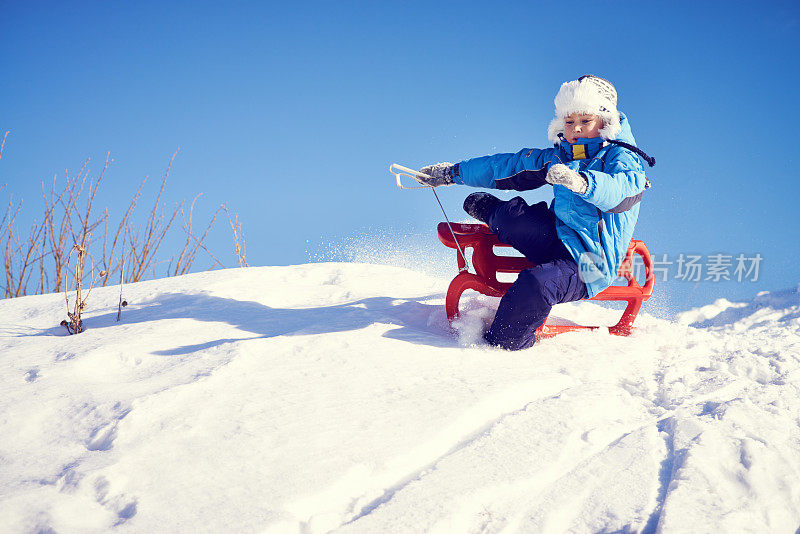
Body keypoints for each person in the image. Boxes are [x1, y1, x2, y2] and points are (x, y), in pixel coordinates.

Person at [416, 75, 654, 350]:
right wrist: (452, 173)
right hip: (556, 239)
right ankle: (493, 212)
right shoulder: (564, 154)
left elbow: (621, 191)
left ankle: (503, 343)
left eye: (585, 121)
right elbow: (508, 166)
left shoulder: (623, 159)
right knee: (511, 218)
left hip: (588, 263)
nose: (575, 129)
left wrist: (584, 184)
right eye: (568, 121)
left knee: (536, 285)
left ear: (605, 121)